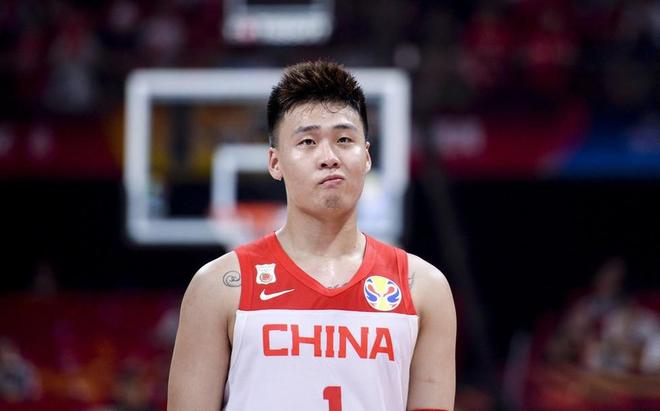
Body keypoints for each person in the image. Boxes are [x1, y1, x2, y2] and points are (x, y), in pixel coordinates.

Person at [167, 60, 456, 411]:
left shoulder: (423, 288)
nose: (329, 157)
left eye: (344, 139)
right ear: (275, 162)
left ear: (366, 156)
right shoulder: (218, 286)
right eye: (307, 141)